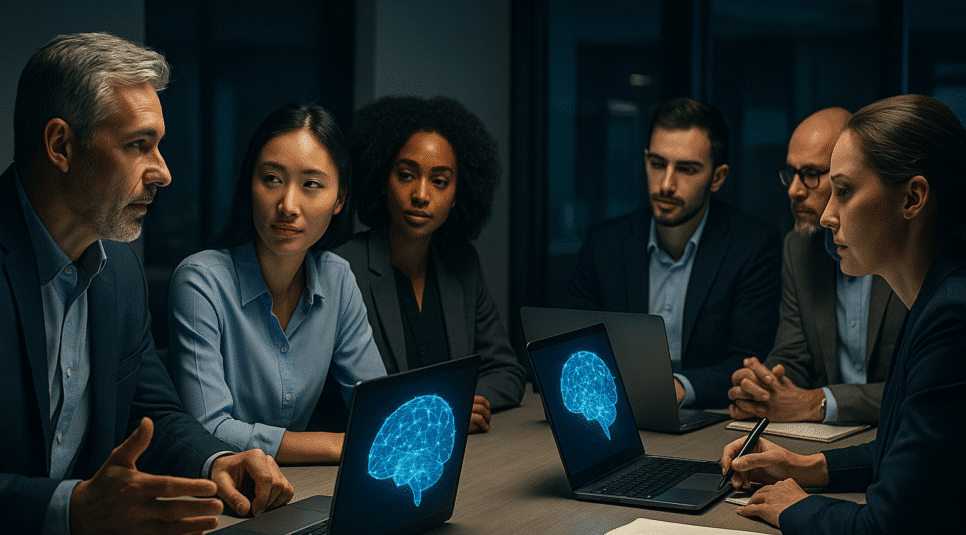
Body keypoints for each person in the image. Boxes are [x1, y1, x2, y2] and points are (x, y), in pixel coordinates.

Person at [0, 32, 293, 535]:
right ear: (60, 146)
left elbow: (152, 414)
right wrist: (72, 510)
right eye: (138, 144)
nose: (164, 172)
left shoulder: (119, 271)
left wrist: (216, 461)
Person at [721, 94, 966, 535]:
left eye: (845, 191)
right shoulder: (936, 296)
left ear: (913, 198)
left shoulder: (951, 316)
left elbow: (883, 533)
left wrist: (795, 505)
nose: (827, 215)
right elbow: (903, 453)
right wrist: (805, 466)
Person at [168, 103, 386, 464]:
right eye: (272, 179)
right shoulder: (201, 281)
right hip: (217, 487)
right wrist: (336, 445)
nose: (288, 205)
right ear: (249, 184)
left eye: (311, 184)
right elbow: (209, 428)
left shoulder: (338, 279)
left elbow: (378, 409)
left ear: (339, 200)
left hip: (299, 484)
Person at [566, 97, 781, 409]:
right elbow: (572, 345)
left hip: (709, 415)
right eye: (657, 164)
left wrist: (680, 388)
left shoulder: (753, 246)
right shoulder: (605, 244)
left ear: (717, 177)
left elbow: (750, 360)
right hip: (614, 408)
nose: (666, 184)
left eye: (686, 169)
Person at [334, 95, 525, 433]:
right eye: (407, 175)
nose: (421, 195)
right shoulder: (342, 268)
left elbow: (507, 373)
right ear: (382, 179)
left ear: (456, 196)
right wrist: (444, 408)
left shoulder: (463, 264)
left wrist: (461, 401)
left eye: (439, 181)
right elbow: (338, 399)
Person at [728, 108, 906, 424]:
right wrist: (764, 390)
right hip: (827, 434)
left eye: (811, 174)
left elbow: (926, 385)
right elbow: (793, 355)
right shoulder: (800, 247)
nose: (793, 190)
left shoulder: (905, 247)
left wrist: (819, 402)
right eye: (791, 173)